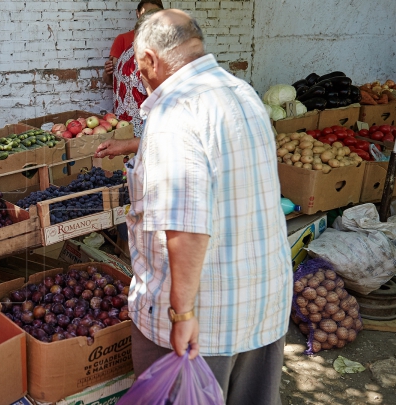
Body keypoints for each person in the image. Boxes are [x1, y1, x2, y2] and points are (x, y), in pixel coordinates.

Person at [125, 9, 292, 405]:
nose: (140, 77)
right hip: (263, 303)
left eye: (138, 67)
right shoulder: (243, 93)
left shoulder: (174, 113)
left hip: (205, 326)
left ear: (150, 58)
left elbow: (185, 226)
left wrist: (182, 315)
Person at [102, 0, 163, 140]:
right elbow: (154, 94)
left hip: (123, 125)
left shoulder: (127, 52)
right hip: (143, 130)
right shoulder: (147, 55)